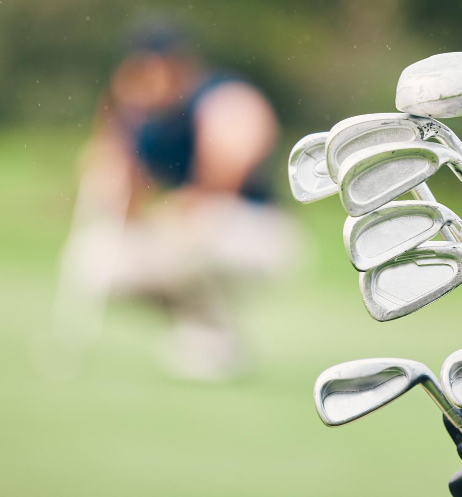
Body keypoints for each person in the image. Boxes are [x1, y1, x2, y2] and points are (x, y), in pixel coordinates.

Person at [47, 20, 300, 381]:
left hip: (256, 235)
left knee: (193, 233)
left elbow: (222, 180)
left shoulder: (226, 99)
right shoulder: (140, 117)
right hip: (185, 233)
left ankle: (210, 337)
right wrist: (118, 132)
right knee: (99, 260)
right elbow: (124, 208)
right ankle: (207, 334)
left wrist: (168, 211)